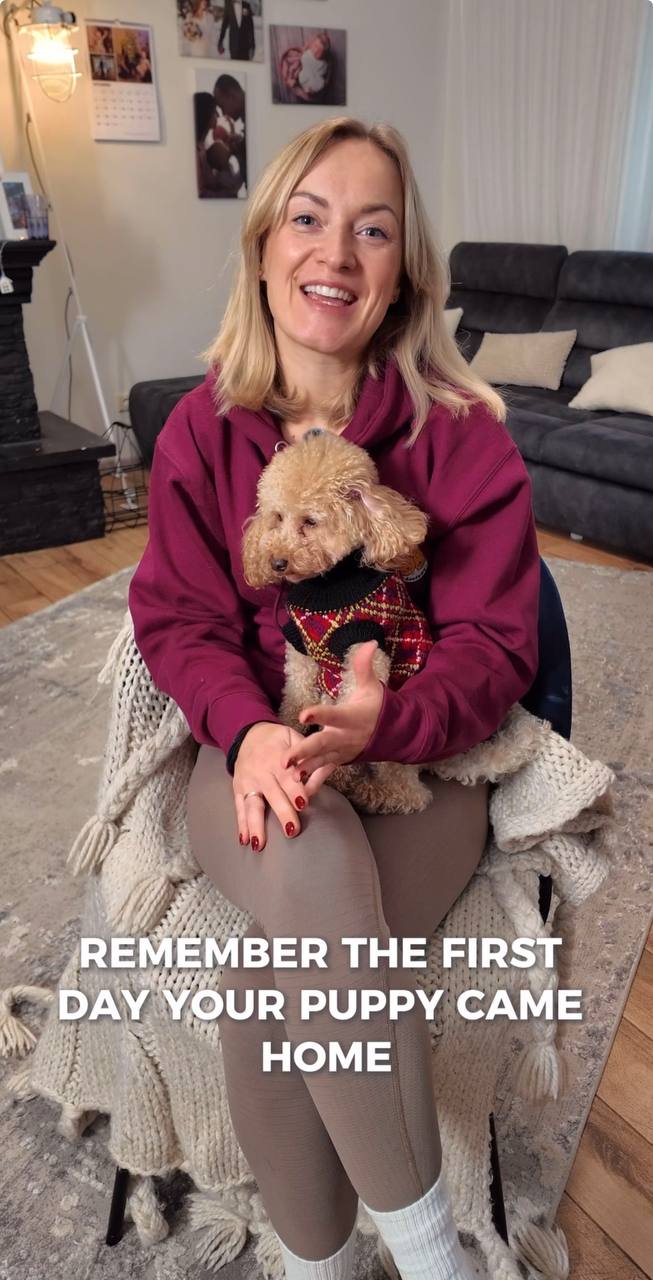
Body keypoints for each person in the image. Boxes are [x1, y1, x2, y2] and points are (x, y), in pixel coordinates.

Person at [128, 117, 541, 1280]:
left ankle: (351, 1264)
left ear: (403, 272)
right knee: (306, 857)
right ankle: (420, 1262)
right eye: (308, 219)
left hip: (422, 758)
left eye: (373, 230)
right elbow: (180, 619)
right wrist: (252, 727)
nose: (336, 254)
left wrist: (388, 719)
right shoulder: (200, 431)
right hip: (257, 746)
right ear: (264, 245)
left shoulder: (458, 436)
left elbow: (497, 643)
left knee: (270, 982)